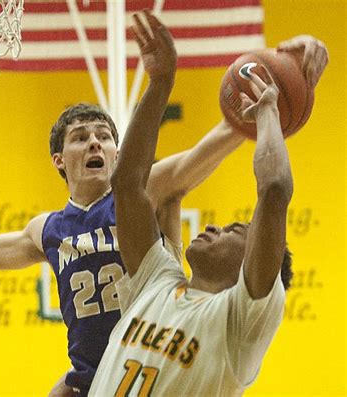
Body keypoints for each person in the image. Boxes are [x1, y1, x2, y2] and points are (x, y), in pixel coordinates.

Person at [0, 8, 327, 396]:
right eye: (82, 137)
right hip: (93, 376)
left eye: (104, 136)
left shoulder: (151, 191)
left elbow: (215, 148)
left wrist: (276, 89)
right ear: (59, 160)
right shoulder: (47, 228)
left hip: (163, 345)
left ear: (119, 154)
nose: (95, 142)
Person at [88, 16, 328, 397]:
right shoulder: (157, 280)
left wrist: (269, 112)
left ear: (252, 261)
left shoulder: (243, 320)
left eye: (234, 230)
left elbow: (275, 189)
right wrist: (160, 83)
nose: (214, 228)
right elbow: (128, 185)